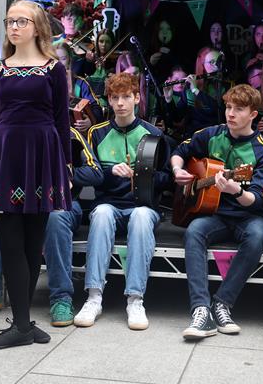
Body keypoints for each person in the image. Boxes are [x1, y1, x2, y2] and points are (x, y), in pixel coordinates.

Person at [0, 0, 71, 349]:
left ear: (37, 27)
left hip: (41, 156)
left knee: (31, 244)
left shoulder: (54, 69)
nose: (13, 27)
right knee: (11, 241)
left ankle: (22, 323)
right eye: (9, 21)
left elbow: (62, 121)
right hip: (6, 157)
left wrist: (64, 168)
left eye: (21, 21)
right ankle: (24, 324)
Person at [0, 127, 101, 329]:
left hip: (60, 202)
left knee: (55, 219)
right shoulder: (9, 132)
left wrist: (66, 174)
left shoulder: (68, 133)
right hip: (18, 202)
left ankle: (61, 298)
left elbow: (96, 172)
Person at [172, 84, 263, 340]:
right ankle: (200, 309)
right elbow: (179, 151)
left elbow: (255, 200)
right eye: (229, 107)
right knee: (194, 231)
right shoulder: (211, 134)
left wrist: (234, 190)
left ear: (253, 114)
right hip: (216, 213)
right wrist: (178, 171)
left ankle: (222, 303)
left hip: (250, 215)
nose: (230, 114)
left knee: (256, 236)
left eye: (239, 109)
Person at [73, 72, 168, 331]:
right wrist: (109, 172)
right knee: (101, 213)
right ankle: (93, 297)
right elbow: (89, 175)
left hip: (143, 206)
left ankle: (135, 299)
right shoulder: (96, 133)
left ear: (137, 98)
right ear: (109, 101)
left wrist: (141, 176)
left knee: (140, 217)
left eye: (126, 96)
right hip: (109, 204)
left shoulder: (153, 133)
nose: (121, 103)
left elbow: (167, 178)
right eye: (115, 98)